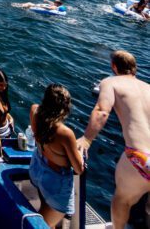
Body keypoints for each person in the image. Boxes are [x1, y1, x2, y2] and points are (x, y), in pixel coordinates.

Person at [77, 51, 150, 228]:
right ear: (135, 69)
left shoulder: (110, 82)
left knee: (122, 201)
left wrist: (86, 139)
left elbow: (102, 111)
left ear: (114, 67)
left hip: (139, 156)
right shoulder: (148, 87)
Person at [29, 84, 84, 227]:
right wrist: (79, 152)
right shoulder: (65, 133)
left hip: (38, 167)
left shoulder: (34, 111)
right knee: (42, 224)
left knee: (46, 215)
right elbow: (78, 169)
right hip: (55, 182)